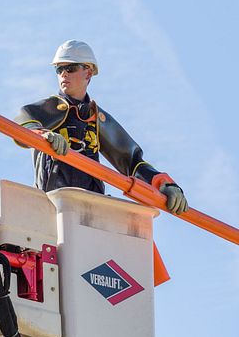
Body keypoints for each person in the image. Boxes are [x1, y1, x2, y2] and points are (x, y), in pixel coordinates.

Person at [15, 40, 188, 214]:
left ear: (88, 73)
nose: (63, 74)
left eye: (71, 68)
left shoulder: (97, 119)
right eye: (59, 69)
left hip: (90, 208)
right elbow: (24, 124)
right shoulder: (48, 109)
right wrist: (42, 136)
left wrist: (164, 184)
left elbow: (132, 161)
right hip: (51, 202)